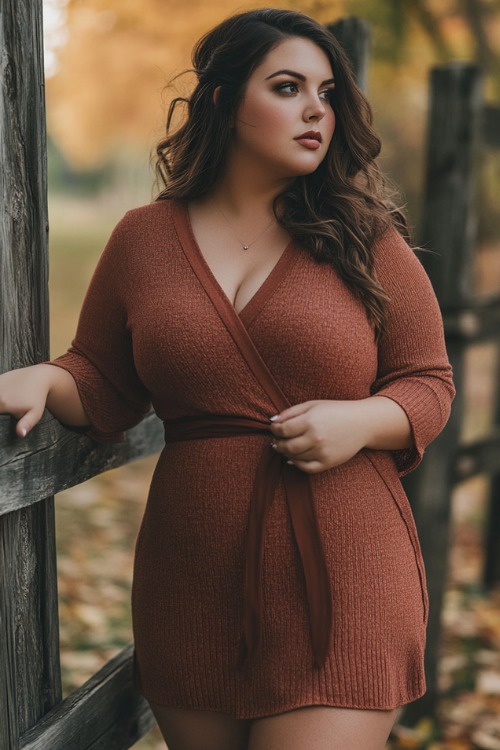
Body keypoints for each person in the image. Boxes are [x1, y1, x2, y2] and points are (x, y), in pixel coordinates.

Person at [0, 8, 455, 750]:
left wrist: (360, 422)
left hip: (343, 576)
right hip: (192, 582)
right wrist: (46, 380)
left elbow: (429, 383)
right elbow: (104, 385)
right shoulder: (144, 239)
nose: (317, 109)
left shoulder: (364, 238)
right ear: (222, 101)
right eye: (287, 87)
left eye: (329, 92)